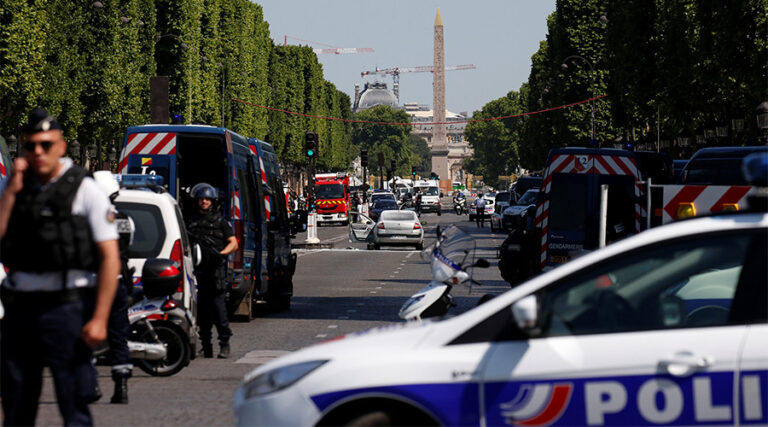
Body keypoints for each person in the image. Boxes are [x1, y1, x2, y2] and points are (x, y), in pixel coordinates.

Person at [0, 108, 120, 425]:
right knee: (16, 406)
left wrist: (99, 318)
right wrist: (12, 189)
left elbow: (110, 257)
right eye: (31, 146)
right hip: (21, 308)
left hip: (67, 306)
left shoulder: (85, 189)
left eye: (46, 145)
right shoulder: (16, 188)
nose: (38, 152)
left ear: (61, 146)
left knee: (73, 401)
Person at [186, 183, 238, 359]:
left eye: (207, 199)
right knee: (202, 314)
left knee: (220, 312)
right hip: (197, 272)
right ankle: (205, 346)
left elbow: (233, 243)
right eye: (201, 199)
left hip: (215, 272)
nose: (204, 202)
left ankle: (224, 344)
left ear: (212, 201)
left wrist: (221, 254)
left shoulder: (220, 221)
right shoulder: (191, 221)